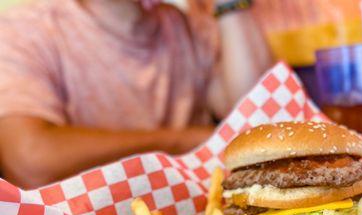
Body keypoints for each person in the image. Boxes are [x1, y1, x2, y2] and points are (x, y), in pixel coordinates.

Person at [0, 0, 272, 188]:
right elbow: (29, 161)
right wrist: (181, 141)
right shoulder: (24, 31)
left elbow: (255, 111)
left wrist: (229, 5)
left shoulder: (179, 22)